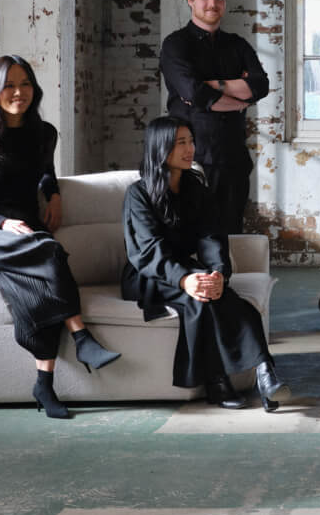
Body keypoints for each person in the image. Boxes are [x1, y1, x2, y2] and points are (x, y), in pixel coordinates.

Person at [0, 54, 120, 420]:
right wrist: (0, 221)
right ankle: (82, 337)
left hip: (25, 227)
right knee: (50, 252)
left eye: (25, 84)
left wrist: (54, 193)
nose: (18, 92)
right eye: (9, 85)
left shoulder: (44, 134)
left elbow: (44, 172)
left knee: (37, 288)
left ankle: (44, 384)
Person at [121, 117, 289, 412]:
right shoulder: (139, 194)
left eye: (191, 141)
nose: (190, 149)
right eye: (180, 143)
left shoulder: (196, 188)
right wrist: (185, 280)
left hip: (187, 268)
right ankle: (218, 381)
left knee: (223, 295)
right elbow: (148, 251)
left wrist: (218, 274)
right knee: (200, 301)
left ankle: (264, 372)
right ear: (161, 148)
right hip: (148, 274)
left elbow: (212, 237)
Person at [159, 0, 270, 234]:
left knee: (232, 233)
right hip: (190, 157)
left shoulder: (237, 45)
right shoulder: (176, 44)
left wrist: (215, 85)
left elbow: (260, 86)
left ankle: (228, 278)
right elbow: (193, 93)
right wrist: (238, 99)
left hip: (233, 157)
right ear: (190, 0)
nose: (212, 4)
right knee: (191, 232)